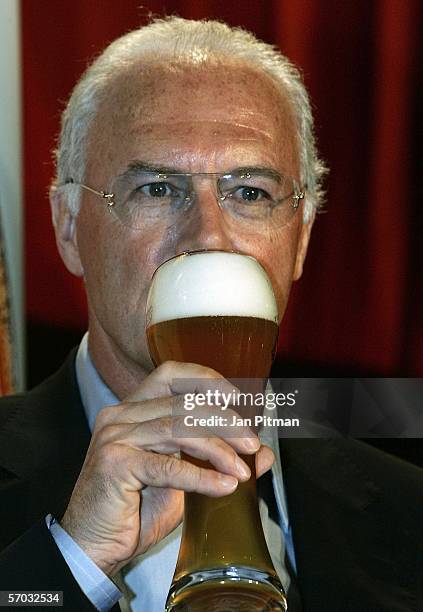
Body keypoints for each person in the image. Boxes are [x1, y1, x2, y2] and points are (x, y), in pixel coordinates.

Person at [0, 16, 421, 612]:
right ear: (68, 227)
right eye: (156, 189)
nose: (209, 237)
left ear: (299, 240)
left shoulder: (408, 510)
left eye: (250, 193)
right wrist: (74, 559)